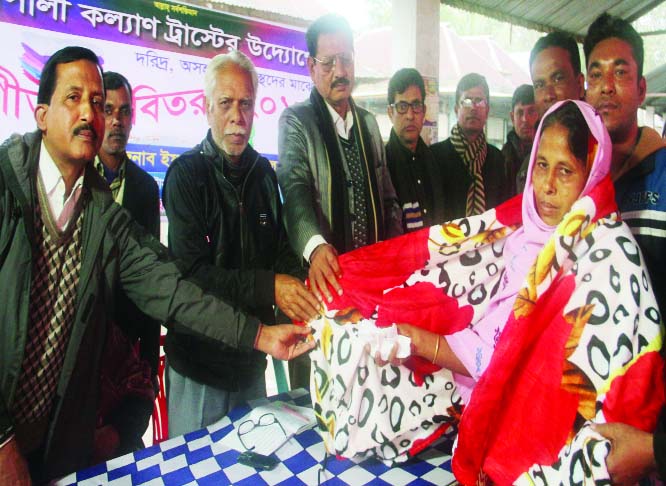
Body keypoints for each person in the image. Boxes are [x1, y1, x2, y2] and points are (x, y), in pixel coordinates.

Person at [0, 46, 314, 484]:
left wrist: (262, 335)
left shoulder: (102, 213)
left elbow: (173, 290)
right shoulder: (7, 186)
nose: (92, 114)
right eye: (75, 98)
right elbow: (195, 271)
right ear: (40, 113)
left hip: (60, 435)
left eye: (97, 101)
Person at [307, 100, 664, 483]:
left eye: (566, 171)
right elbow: (484, 339)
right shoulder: (517, 234)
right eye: (541, 165)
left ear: (592, 176)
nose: (546, 186)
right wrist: (405, 331)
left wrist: (422, 341)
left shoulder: (608, 255)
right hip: (479, 404)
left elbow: (587, 385)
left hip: (559, 447)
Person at [161, 51, 319, 437]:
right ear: (207, 108)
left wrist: (307, 283)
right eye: (226, 104)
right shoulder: (186, 176)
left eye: (246, 104)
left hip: (252, 362)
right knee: (196, 474)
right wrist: (270, 286)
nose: (237, 116)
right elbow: (193, 276)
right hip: (200, 365)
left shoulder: (263, 173)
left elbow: (279, 249)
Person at [583, 13, 666, 483]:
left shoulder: (662, 175)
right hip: (585, 401)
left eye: (620, 72)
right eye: (596, 73)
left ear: (640, 87)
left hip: (651, 412)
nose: (607, 85)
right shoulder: (574, 178)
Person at [277, 13, 402, 305]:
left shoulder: (368, 124)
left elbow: (388, 200)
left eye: (346, 59)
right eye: (329, 62)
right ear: (311, 67)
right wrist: (315, 247)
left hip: (374, 282)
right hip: (324, 280)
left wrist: (392, 252)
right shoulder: (297, 121)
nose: (340, 71)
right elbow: (295, 192)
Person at [93, 71, 160, 461]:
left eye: (125, 111)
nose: (117, 120)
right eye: (109, 110)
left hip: (129, 369)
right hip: (82, 360)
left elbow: (153, 279)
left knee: (126, 457)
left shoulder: (145, 188)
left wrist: (149, 364)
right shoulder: (78, 180)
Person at [431, 73, 511, 220]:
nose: (473, 108)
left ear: (487, 110)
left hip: (489, 241)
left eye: (479, 101)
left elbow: (502, 212)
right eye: (466, 101)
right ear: (456, 109)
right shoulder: (434, 157)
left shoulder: (497, 159)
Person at [514, 31, 586, 192]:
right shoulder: (528, 169)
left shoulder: (604, 155)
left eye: (558, 78)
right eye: (539, 85)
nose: (548, 95)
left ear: (580, 84)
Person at [385, 68, 446, 232]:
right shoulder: (381, 166)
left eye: (416, 105)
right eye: (402, 106)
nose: (410, 115)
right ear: (390, 112)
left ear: (424, 111)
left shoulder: (435, 161)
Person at [501, 84, 538, 197]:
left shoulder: (549, 153)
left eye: (531, 111)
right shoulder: (501, 159)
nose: (525, 119)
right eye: (520, 113)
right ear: (512, 117)